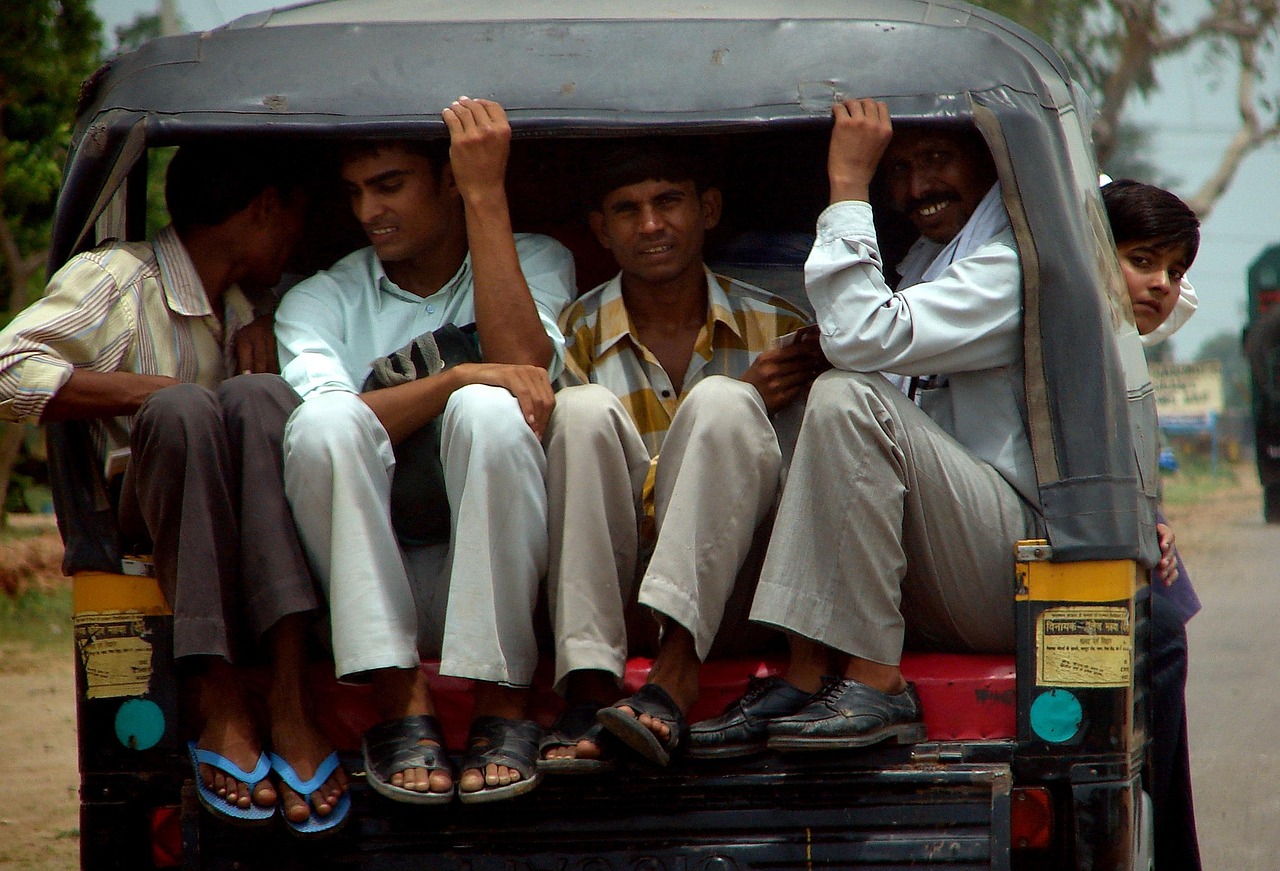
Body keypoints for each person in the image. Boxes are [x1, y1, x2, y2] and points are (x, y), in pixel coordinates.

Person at [0, 144, 349, 834]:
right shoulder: (119, 278)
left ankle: (287, 697)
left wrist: (273, 329)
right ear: (264, 209)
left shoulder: (262, 300)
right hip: (150, 512)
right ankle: (220, 696)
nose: (296, 237)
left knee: (258, 395)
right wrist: (156, 391)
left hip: (251, 520)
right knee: (186, 410)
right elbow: (10, 367)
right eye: (294, 217)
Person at [703, 98, 1041, 752]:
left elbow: (863, 336)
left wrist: (848, 182)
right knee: (814, 391)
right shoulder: (924, 260)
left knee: (847, 395)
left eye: (937, 160)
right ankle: (806, 669)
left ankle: (877, 678)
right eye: (900, 169)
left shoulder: (1013, 259)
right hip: (946, 559)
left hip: (1017, 568)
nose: (917, 189)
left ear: (990, 162)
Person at [276, 98, 575, 805]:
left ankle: (502, 698)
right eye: (355, 192)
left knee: (492, 408)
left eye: (389, 185)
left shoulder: (534, 257)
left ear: (446, 181)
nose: (368, 210)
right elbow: (330, 419)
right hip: (372, 585)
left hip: (505, 578)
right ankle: (400, 698)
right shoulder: (320, 299)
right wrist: (454, 376)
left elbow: (528, 369)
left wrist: (485, 194)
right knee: (323, 426)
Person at [539, 143, 822, 770]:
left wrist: (741, 407)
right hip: (611, 590)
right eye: (627, 210)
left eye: (668, 202)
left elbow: (816, 491)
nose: (650, 225)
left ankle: (677, 672)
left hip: (736, 598)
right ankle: (588, 686)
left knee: (722, 403)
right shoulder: (572, 334)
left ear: (708, 210)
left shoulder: (781, 328)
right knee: (580, 412)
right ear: (601, 232)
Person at [1102, 177, 1203, 871]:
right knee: (1161, 630)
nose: (1164, 286)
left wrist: (1150, 520)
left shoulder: (1123, 338)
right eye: (1143, 262)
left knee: (1167, 609)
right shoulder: (1074, 335)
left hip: (1129, 537)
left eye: (1174, 271)